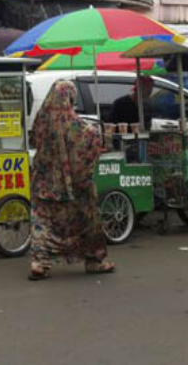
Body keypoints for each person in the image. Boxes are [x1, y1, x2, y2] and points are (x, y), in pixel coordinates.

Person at [28, 81, 115, 280]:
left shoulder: (41, 120)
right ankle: (94, 261)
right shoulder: (78, 126)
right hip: (75, 183)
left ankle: (39, 263)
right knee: (87, 219)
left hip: (44, 181)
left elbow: (34, 141)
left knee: (42, 220)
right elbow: (90, 143)